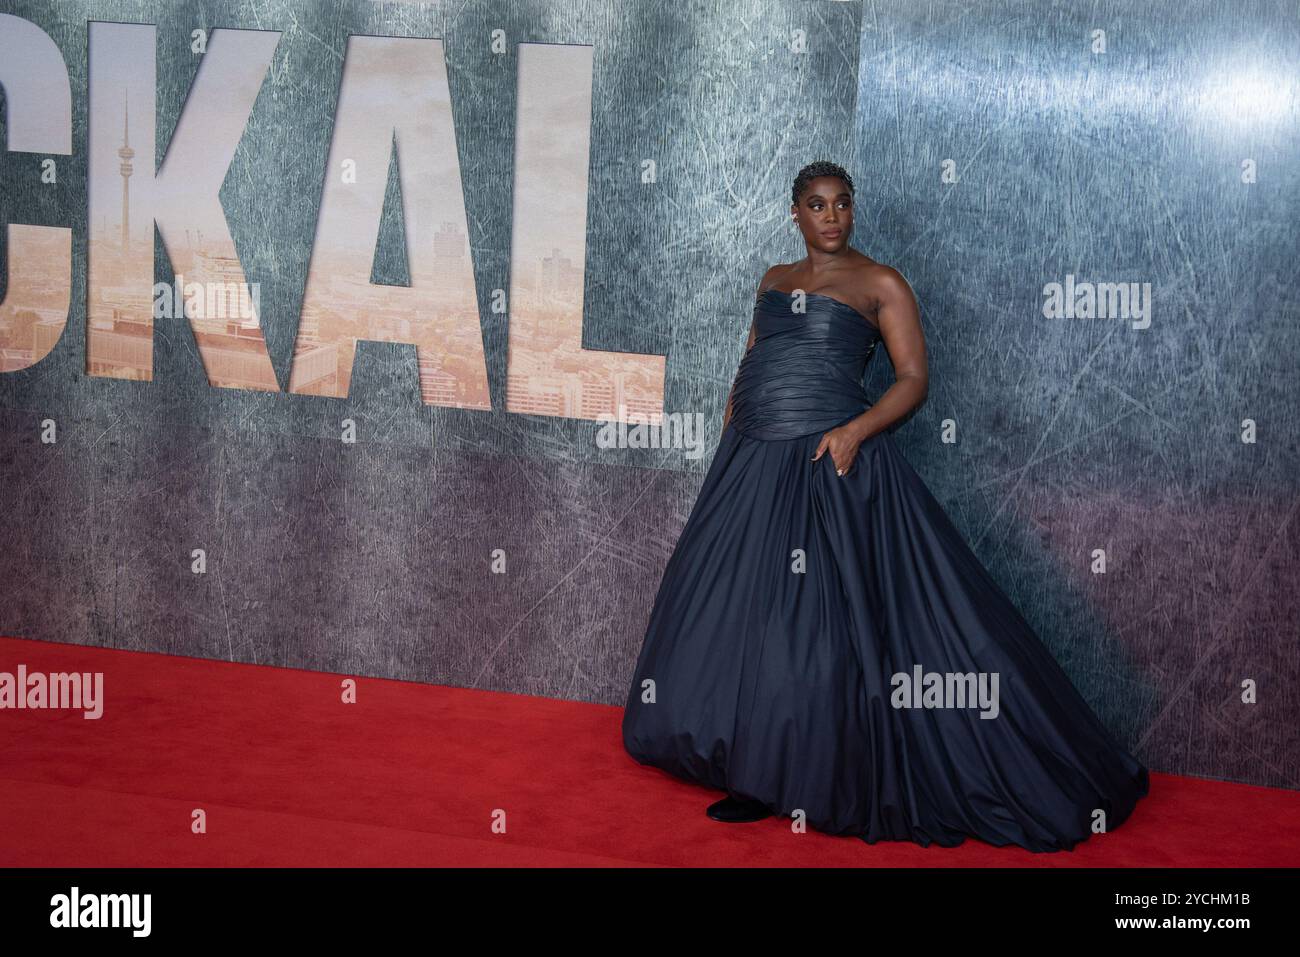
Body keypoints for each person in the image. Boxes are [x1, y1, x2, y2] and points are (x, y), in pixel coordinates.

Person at [620, 161, 1149, 851]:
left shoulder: (881, 284)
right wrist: (730, 432)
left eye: (842, 203)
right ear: (795, 214)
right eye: (816, 204)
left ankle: (801, 775)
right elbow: (754, 357)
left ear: (852, 210)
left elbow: (913, 379)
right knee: (745, 613)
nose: (832, 215)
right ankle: (751, 767)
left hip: (825, 462)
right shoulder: (774, 281)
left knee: (816, 628)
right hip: (752, 459)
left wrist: (855, 431)